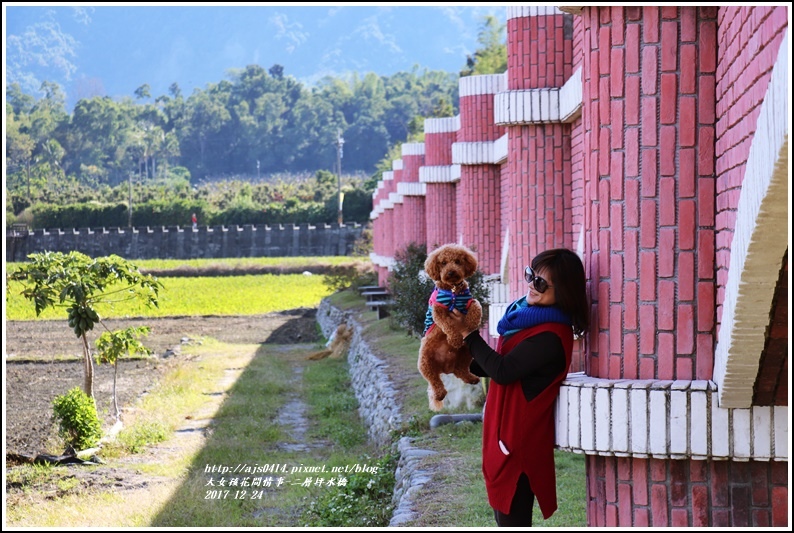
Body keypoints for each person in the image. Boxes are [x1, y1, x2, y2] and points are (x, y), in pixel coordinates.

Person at [448, 247, 589, 527]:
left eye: (540, 283)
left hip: (519, 442)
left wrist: (468, 335)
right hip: (504, 433)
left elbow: (504, 370)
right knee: (504, 515)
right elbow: (505, 363)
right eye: (530, 275)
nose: (531, 286)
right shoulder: (527, 319)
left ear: (564, 291)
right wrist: (459, 360)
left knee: (513, 519)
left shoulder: (551, 334)